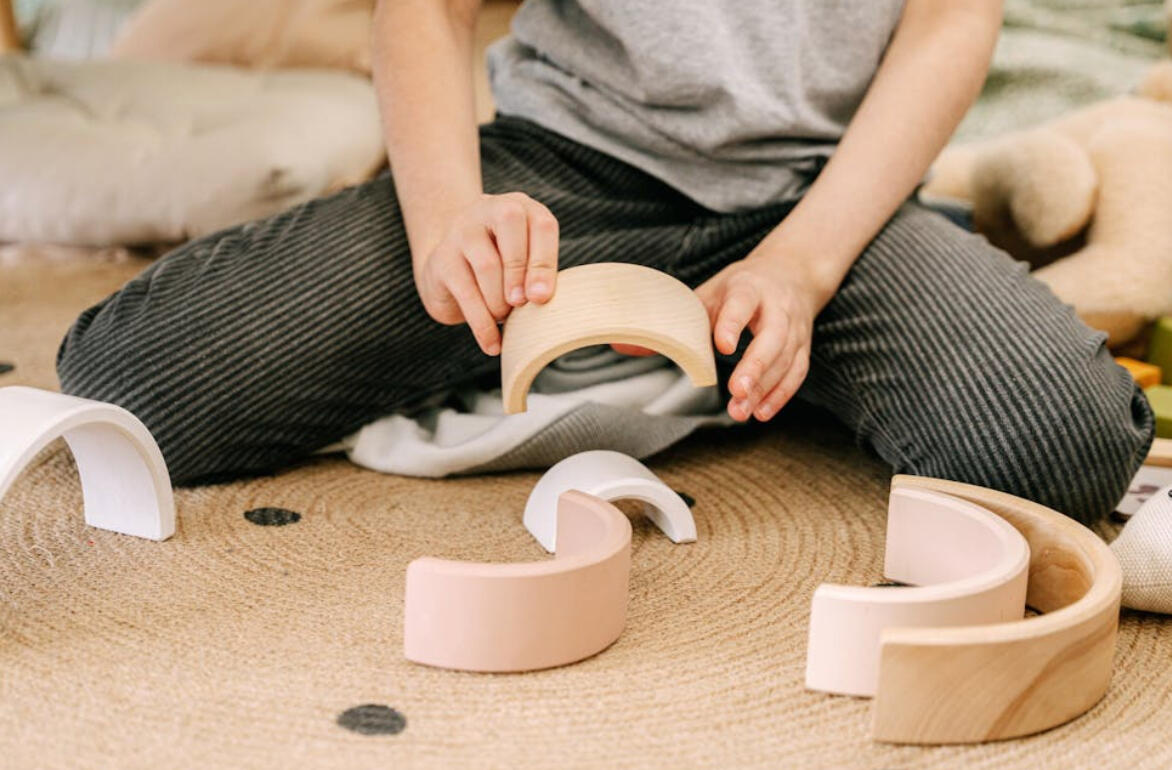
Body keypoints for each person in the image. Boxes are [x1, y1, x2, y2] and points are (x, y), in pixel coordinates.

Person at [56, 0, 1153, 523]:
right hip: (562, 168)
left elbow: (950, 24)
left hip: (826, 200)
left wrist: (805, 266)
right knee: (139, 390)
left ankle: (775, 346)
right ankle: (690, 354)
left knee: (1056, 445)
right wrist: (446, 220)